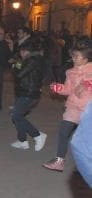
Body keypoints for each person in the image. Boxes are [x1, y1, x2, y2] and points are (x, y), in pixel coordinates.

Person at [43, 37, 92, 172]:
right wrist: (58, 88)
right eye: (73, 56)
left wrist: (88, 84)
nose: (73, 59)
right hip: (73, 107)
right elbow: (68, 89)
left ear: (86, 59)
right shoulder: (70, 73)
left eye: (76, 56)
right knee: (64, 131)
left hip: (89, 109)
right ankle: (59, 161)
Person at [9, 39, 46, 151]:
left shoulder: (32, 60)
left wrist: (15, 66)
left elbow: (19, 75)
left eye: (21, 51)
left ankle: (37, 135)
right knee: (18, 116)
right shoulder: (34, 59)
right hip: (26, 91)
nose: (20, 54)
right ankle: (22, 141)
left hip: (29, 93)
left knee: (16, 116)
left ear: (26, 51)